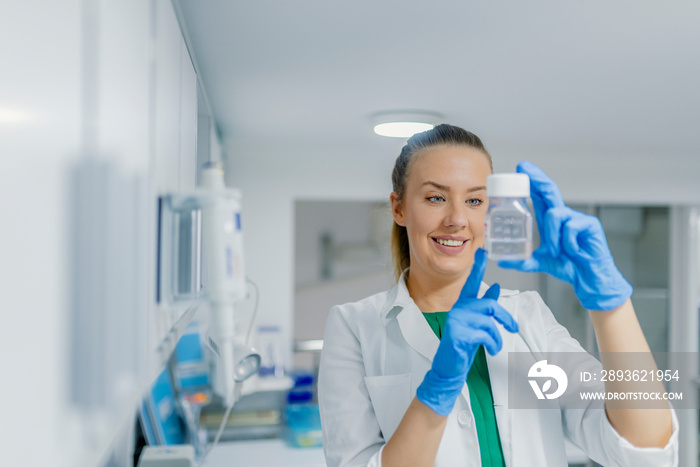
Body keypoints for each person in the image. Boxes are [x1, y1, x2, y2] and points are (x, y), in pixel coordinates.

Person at [317, 124, 678, 467]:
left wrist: (611, 306)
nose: (457, 219)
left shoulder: (527, 316)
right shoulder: (354, 326)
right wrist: (436, 390)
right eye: (435, 197)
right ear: (399, 208)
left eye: (475, 201)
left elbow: (646, 451)